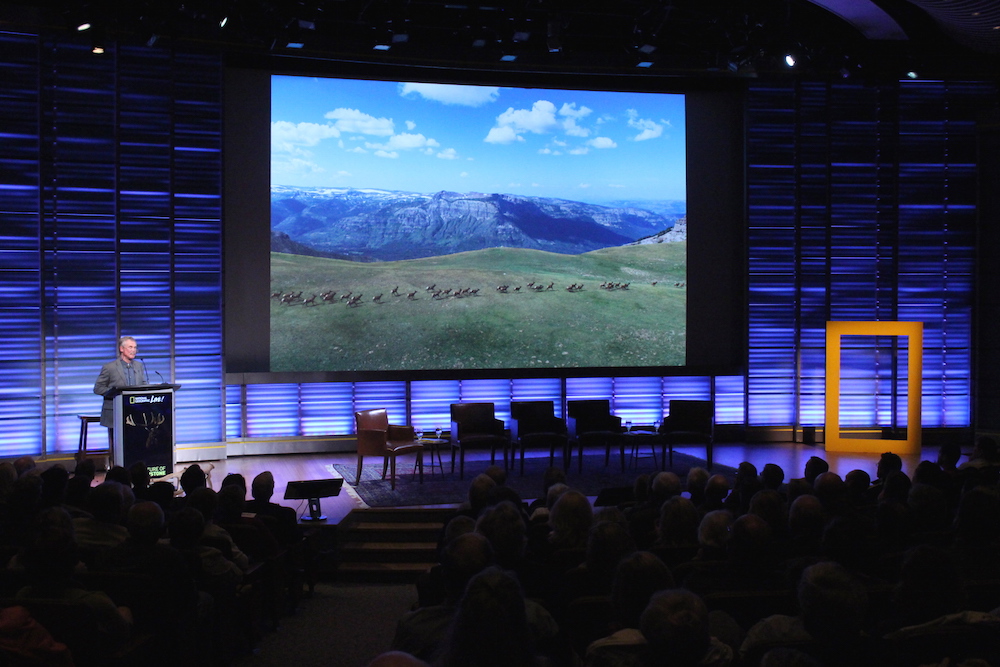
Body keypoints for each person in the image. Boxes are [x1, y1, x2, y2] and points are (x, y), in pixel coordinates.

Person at [93, 335, 147, 429]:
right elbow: (98, 388)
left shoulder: (139, 366)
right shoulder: (109, 367)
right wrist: (115, 393)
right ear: (121, 349)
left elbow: (143, 384)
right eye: (130, 347)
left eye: (135, 347)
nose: (133, 350)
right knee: (116, 442)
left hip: (136, 413)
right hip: (115, 412)